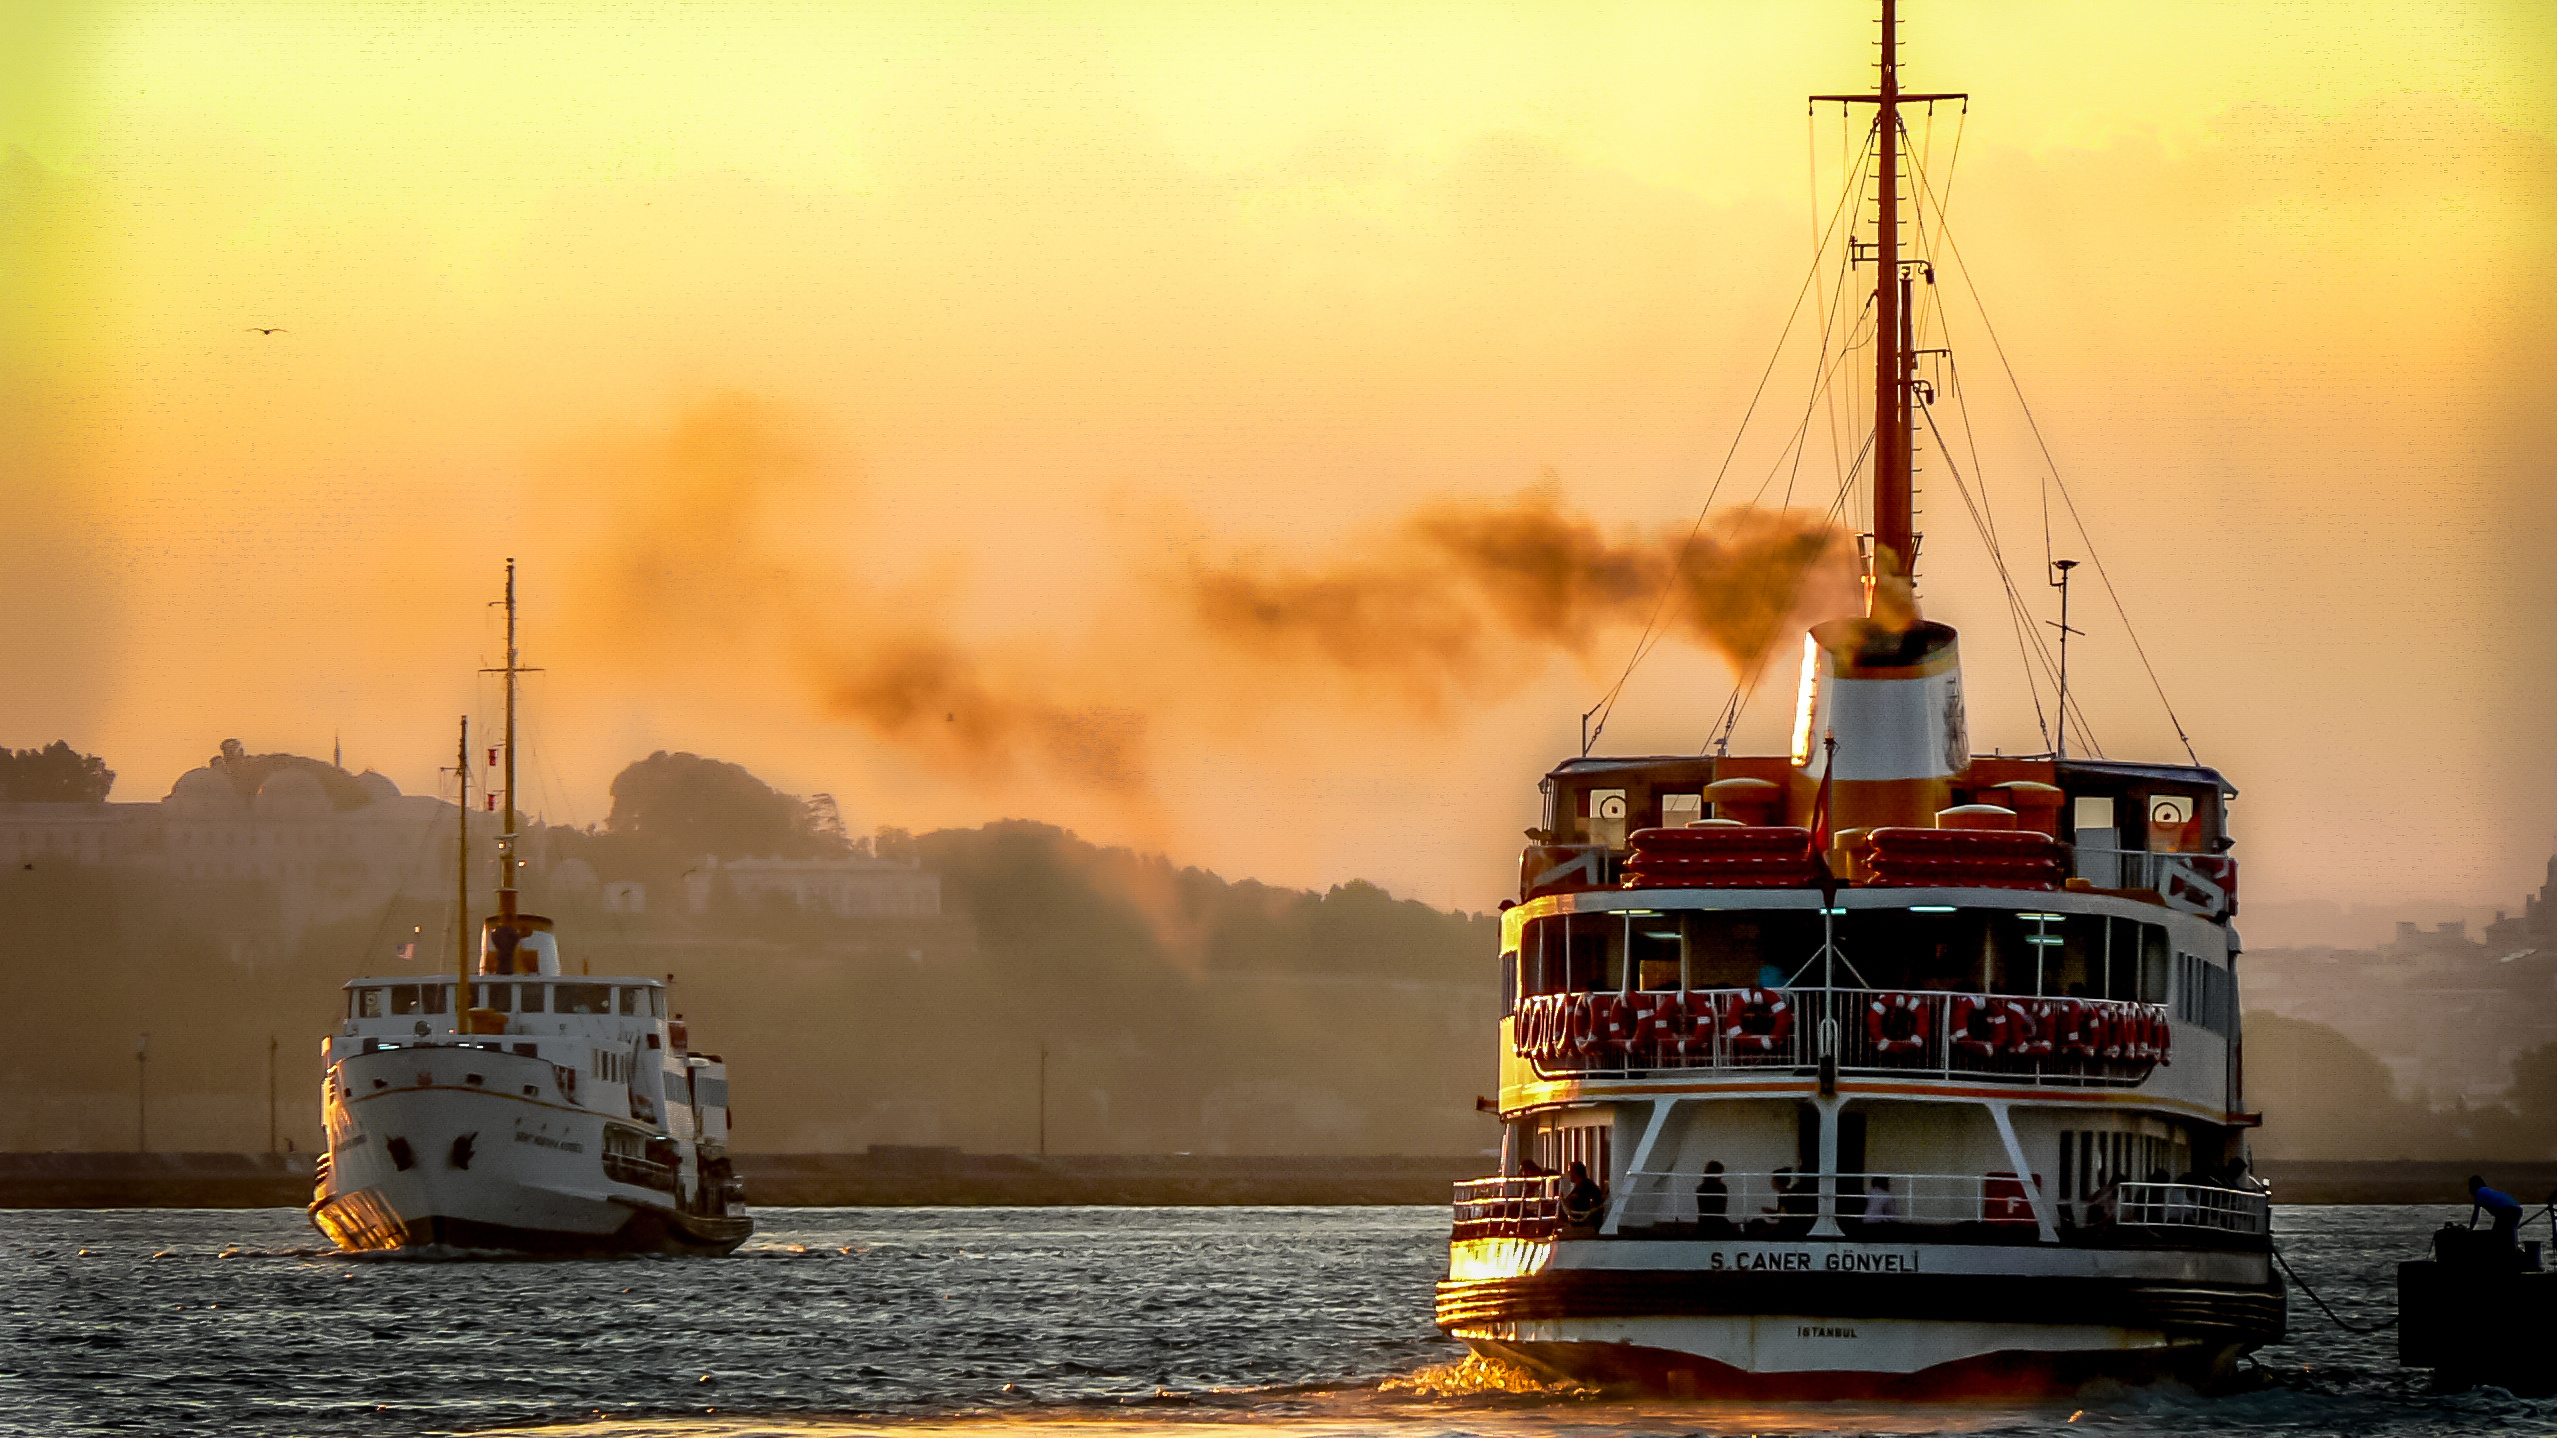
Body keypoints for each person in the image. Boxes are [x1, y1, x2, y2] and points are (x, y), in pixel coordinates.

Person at [2468, 1174, 2525, 1254]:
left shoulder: (2479, 1192)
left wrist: (2470, 1228)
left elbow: (2475, 1214)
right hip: (2517, 1209)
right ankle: (2514, 1251)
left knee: (2498, 1235)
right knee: (2508, 1234)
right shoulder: (2487, 1191)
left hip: (2507, 1211)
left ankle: (2510, 1253)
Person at [1561, 1161, 1605, 1229]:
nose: (1569, 1174)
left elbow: (1580, 1199)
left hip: (1585, 1220)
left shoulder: (1585, 1186)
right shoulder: (1582, 1185)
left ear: (1576, 1173)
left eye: (1571, 1172)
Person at [1695, 1161, 1732, 1237]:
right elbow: (1721, 1209)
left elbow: (1702, 1208)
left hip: (1704, 1223)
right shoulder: (1721, 1188)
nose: (1721, 1176)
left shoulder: (1701, 1188)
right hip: (1718, 1222)